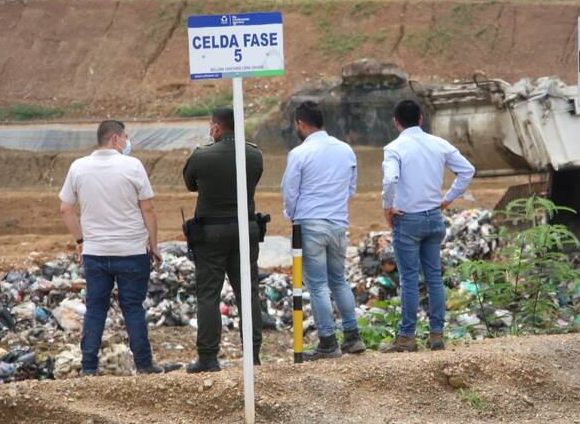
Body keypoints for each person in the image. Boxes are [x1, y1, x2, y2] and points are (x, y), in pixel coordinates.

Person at [59, 120, 164, 375]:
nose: (128, 142)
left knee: (95, 309)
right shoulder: (133, 166)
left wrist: (81, 241)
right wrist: (153, 245)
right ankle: (145, 364)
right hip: (132, 251)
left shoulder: (78, 167)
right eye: (126, 137)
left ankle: (88, 367)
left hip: (95, 253)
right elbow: (148, 208)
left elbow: (65, 209)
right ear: (115, 139)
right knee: (133, 307)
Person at [380, 99, 475, 352]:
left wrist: (387, 206)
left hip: (407, 220)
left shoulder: (394, 148)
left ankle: (407, 337)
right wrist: (448, 198)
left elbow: (390, 179)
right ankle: (436, 335)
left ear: (396, 122)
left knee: (409, 279)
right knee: (434, 277)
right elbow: (467, 170)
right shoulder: (439, 144)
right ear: (421, 119)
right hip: (434, 218)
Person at [182, 107, 264, 373]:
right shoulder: (254, 154)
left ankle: (208, 357)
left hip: (211, 234)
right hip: (246, 231)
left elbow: (190, 184)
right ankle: (252, 355)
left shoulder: (201, 156)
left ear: (216, 127)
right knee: (248, 293)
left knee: (208, 294)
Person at [282, 101, 365, 360]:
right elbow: (351, 187)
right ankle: (353, 337)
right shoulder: (346, 150)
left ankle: (328, 342)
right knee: (339, 280)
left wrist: (293, 215)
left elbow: (289, 191)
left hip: (310, 224)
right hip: (338, 224)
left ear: (301, 123)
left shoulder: (299, 153)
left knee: (317, 285)